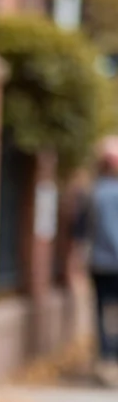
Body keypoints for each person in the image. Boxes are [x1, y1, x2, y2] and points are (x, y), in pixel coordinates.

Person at [83, 142, 118, 385]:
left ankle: (107, 358)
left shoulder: (95, 191)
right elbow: (110, 229)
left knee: (102, 309)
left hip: (99, 262)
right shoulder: (110, 192)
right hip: (111, 261)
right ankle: (110, 358)